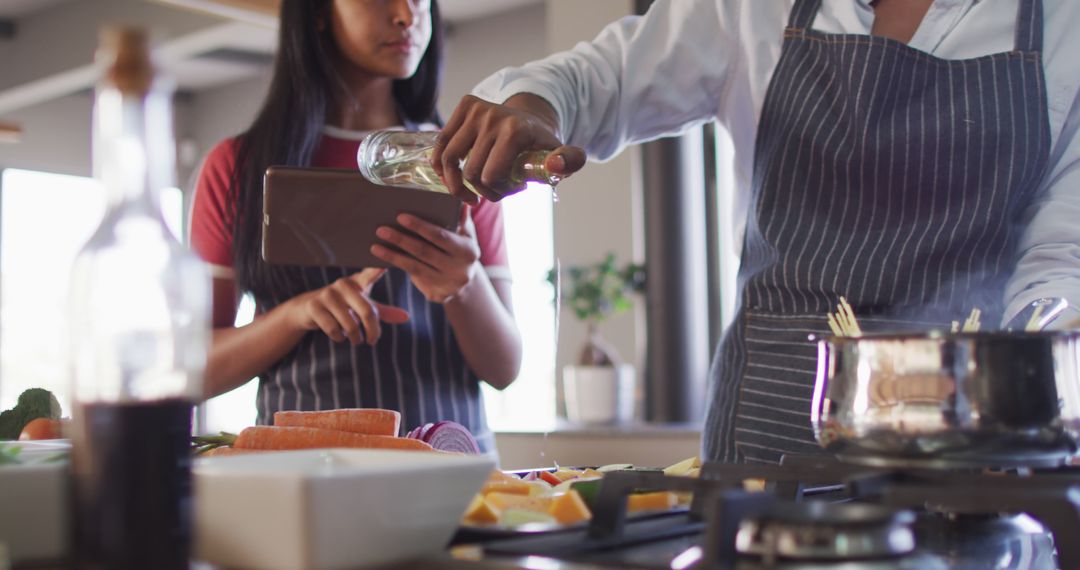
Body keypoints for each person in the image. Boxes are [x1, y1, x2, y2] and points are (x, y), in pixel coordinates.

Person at [431, 0, 1080, 463]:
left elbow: (1061, 260)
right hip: (766, 443)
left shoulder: (1063, 25)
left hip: (966, 444)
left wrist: (1026, 377)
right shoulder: (753, 8)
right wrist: (531, 108)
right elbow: (599, 77)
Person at [189, 0, 522, 454]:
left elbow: (504, 369)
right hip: (300, 475)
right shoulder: (237, 169)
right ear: (318, 11)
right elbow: (193, 371)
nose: (407, 14)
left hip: (452, 476)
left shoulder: (464, 165)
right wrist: (295, 315)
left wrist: (465, 285)